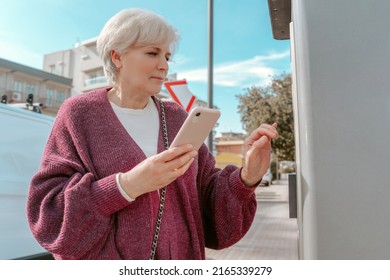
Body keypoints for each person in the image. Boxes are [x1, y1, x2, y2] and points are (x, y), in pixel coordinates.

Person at [27, 8, 278, 260]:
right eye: (152, 53)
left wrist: (247, 177)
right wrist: (129, 185)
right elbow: (49, 212)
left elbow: (206, 197)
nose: (164, 65)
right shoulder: (78, 113)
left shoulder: (177, 117)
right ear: (117, 57)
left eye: (167, 56)